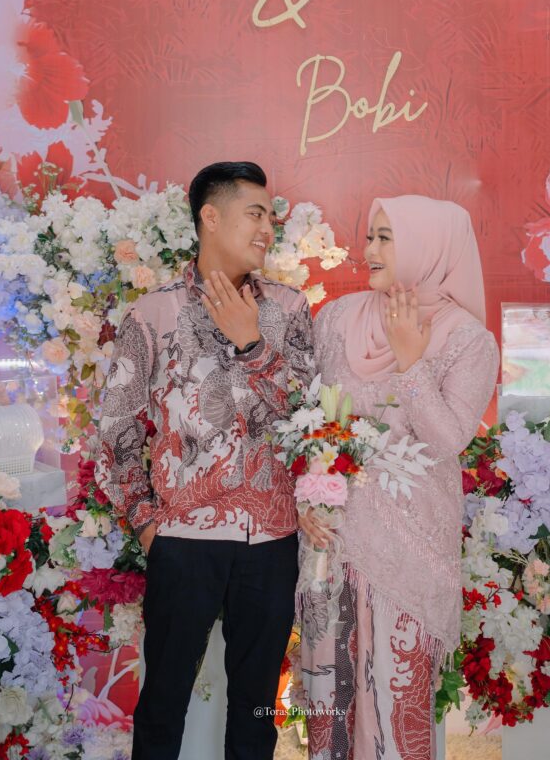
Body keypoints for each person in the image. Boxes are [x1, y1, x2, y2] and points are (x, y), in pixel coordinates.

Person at [96, 161, 315, 760]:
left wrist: (252, 344)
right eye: (255, 214)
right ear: (210, 218)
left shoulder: (289, 309)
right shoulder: (153, 314)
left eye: (271, 217)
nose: (267, 229)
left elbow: (311, 418)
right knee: (163, 703)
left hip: (271, 537)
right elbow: (115, 426)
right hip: (183, 538)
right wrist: (147, 521)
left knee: (257, 709)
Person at [299, 195, 499, 760]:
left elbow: (447, 440)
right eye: (370, 236)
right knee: (327, 702)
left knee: (395, 702)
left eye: (385, 238)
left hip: (408, 554)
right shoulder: (337, 318)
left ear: (428, 247)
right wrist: (306, 498)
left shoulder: (467, 339)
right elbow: (310, 418)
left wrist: (412, 362)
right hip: (331, 542)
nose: (368, 250)